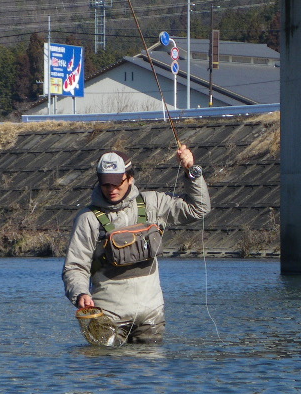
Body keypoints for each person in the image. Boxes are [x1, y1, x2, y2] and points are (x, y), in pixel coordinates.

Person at [63, 145, 211, 343]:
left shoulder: (153, 203)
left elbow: (198, 209)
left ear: (130, 178)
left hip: (151, 314)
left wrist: (191, 171)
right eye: (106, 184)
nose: (112, 190)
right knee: (108, 371)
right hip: (108, 317)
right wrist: (80, 293)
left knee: (149, 373)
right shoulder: (87, 219)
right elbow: (75, 267)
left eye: (118, 183)